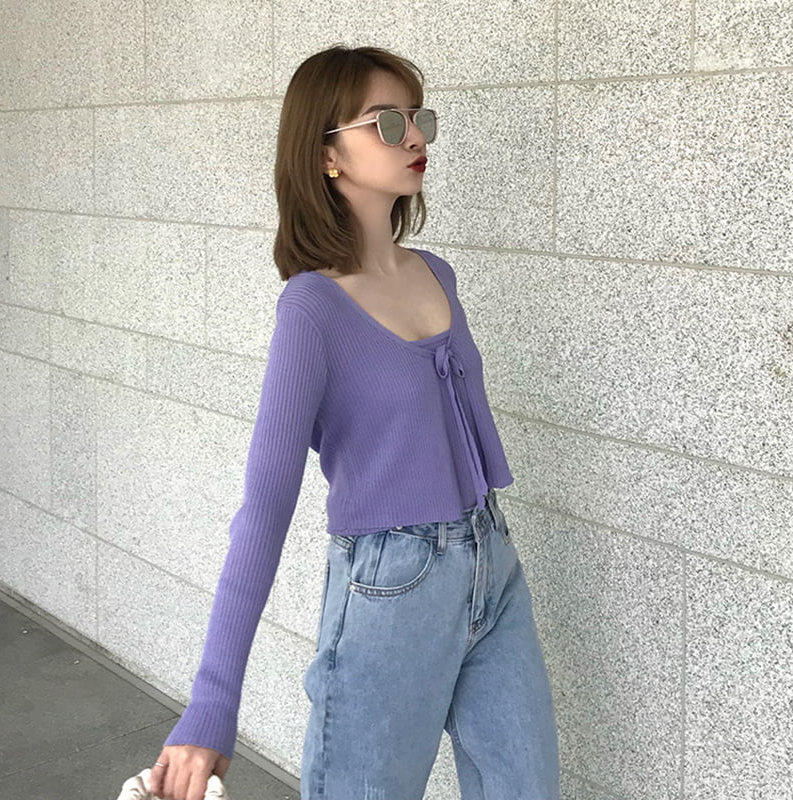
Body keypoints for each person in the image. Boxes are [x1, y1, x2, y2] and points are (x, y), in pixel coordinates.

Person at [148, 45, 560, 800]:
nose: (415, 137)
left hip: (492, 564)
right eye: (387, 122)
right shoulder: (312, 309)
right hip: (390, 588)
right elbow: (264, 506)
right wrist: (213, 705)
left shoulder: (437, 274)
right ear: (327, 154)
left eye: (418, 118)